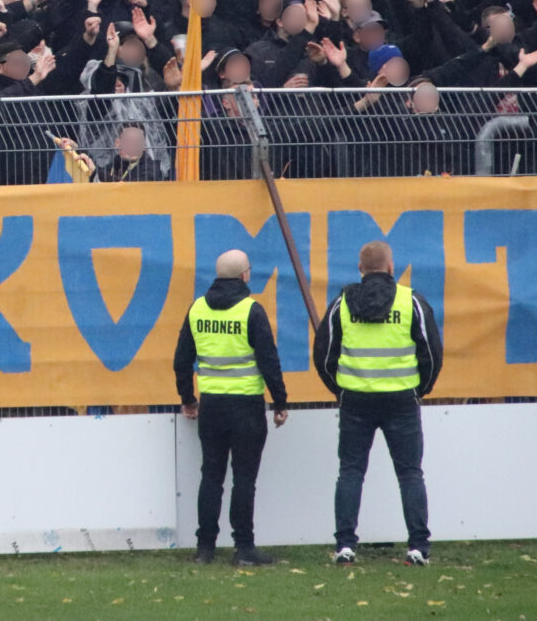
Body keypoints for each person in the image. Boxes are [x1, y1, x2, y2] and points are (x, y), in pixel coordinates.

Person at [313, 240, 443, 567]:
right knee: (410, 473)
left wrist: (340, 390)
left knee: (351, 472)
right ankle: (418, 547)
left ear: (360, 269)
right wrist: (418, 390)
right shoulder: (410, 301)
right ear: (390, 268)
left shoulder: (342, 303)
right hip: (401, 399)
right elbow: (431, 353)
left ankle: (345, 545)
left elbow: (324, 355)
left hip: (355, 400)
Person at [173, 249, 289, 567]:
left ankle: (205, 549)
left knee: (211, 477)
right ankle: (244, 549)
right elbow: (269, 361)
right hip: (247, 408)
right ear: (244, 275)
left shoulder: (197, 309)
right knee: (244, 480)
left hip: (211, 407)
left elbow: (181, 361)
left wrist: (188, 398)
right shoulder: (252, 310)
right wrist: (280, 401)